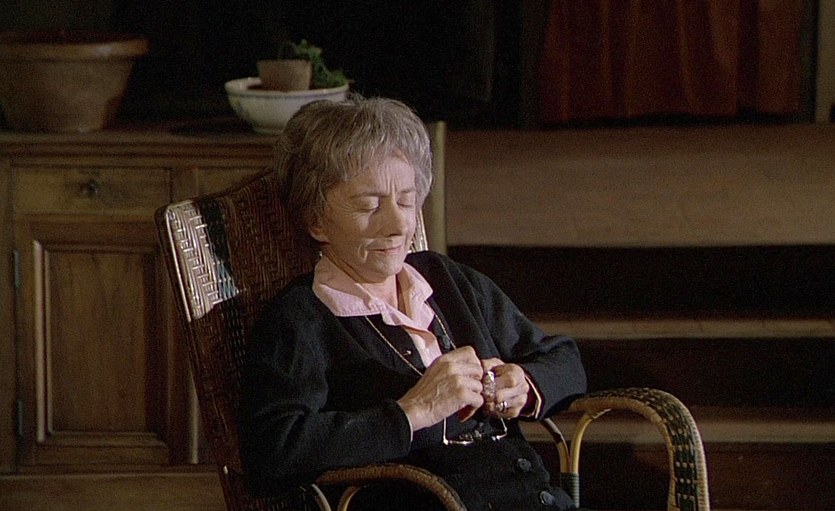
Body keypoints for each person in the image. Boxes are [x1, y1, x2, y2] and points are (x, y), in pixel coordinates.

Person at [238, 95, 588, 510]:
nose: (398, 224)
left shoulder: (446, 280)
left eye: (406, 200)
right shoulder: (300, 319)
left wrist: (523, 384)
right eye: (369, 206)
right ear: (316, 221)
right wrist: (413, 412)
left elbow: (565, 360)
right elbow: (273, 453)